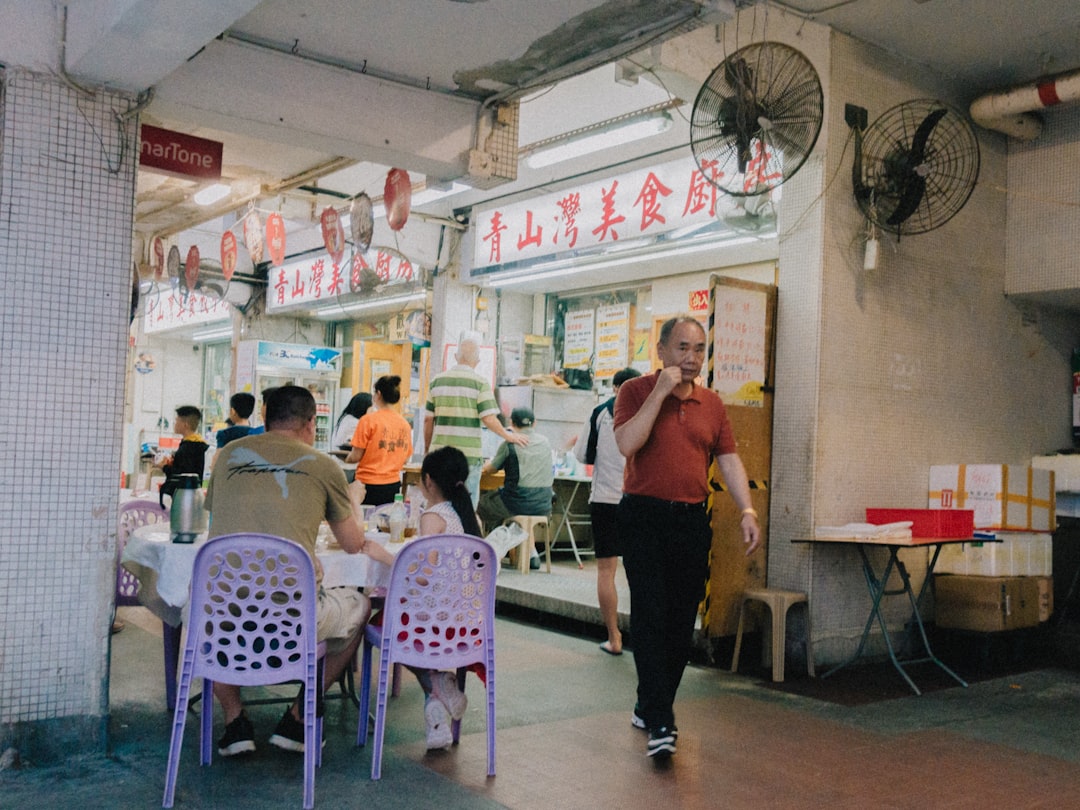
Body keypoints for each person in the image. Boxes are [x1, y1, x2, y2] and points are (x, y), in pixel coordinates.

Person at [203, 385, 394, 756]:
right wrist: (354, 499)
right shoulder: (323, 466)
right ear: (311, 423)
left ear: (265, 418)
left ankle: (234, 719)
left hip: (222, 613)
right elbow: (354, 544)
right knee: (360, 606)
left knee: (195, 614)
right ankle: (299, 716)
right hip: (291, 616)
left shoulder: (227, 456)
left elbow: (227, 520)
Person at [613, 316, 760, 760]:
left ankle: (649, 703)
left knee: (681, 622)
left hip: (691, 520)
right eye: (682, 347)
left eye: (699, 349)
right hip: (643, 516)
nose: (691, 358)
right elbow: (626, 444)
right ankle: (662, 719)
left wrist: (747, 508)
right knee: (650, 615)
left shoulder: (713, 404)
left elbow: (729, 460)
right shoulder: (634, 391)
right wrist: (659, 393)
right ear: (661, 350)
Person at [400, 445, 484, 749]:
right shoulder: (469, 517)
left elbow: (424, 574)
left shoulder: (433, 516)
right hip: (468, 624)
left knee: (388, 631)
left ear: (428, 481)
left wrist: (386, 557)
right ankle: (439, 702)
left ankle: (437, 683)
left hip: (436, 623)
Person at [572, 366, 641, 656]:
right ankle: (644, 638)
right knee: (640, 573)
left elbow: (581, 455)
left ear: (614, 388)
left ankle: (614, 638)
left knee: (606, 571)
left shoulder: (600, 413)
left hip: (605, 501)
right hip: (639, 501)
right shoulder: (648, 412)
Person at [423, 331, 527, 506]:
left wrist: (428, 450)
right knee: (466, 510)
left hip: (439, 458)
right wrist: (508, 435)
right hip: (468, 459)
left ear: (456, 357)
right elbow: (489, 418)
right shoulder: (480, 383)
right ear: (477, 361)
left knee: (438, 506)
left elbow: (428, 420)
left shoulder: (436, 382)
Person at [477, 408, 553, 568]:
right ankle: (531, 555)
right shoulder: (546, 442)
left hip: (517, 502)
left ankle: (483, 551)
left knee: (479, 504)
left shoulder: (509, 444)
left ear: (511, 423)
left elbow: (491, 469)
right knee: (520, 506)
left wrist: (484, 464)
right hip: (544, 504)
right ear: (535, 423)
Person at [345, 376, 412, 506]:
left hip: (365, 485)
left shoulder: (368, 420)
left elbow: (355, 456)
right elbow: (405, 459)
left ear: (378, 394)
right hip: (392, 486)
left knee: (363, 523)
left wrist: (346, 458)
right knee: (384, 524)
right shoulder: (404, 424)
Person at [159, 405, 207, 499]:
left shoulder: (187, 448)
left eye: (177, 421)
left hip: (181, 496)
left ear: (185, 425)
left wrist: (164, 467)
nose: (175, 424)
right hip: (193, 495)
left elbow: (179, 475)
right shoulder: (200, 445)